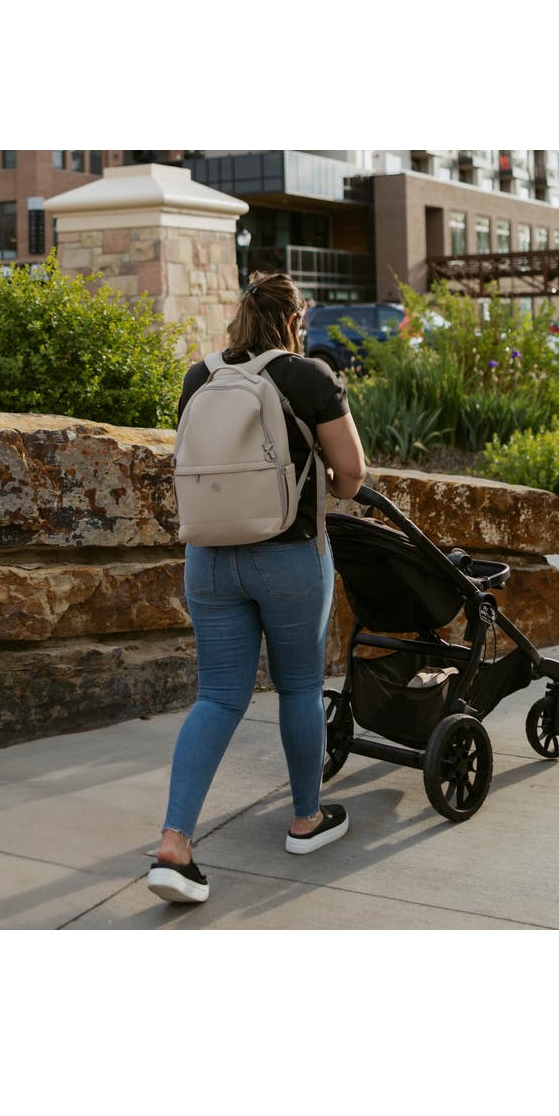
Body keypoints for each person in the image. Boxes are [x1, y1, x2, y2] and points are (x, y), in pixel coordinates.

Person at [147, 271, 367, 904]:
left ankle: (173, 844)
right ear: (295, 321)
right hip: (289, 556)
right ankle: (305, 820)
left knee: (217, 697)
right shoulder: (310, 376)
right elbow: (350, 475)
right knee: (298, 686)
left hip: (208, 558)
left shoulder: (201, 377)